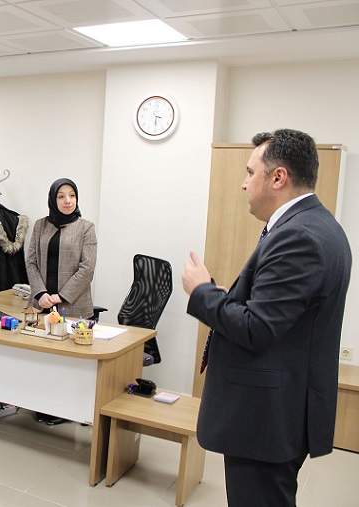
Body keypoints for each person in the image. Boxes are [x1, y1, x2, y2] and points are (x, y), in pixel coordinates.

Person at [182, 129, 352, 506]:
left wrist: (202, 292)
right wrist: (223, 296)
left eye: (250, 172)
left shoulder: (298, 237)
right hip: (280, 408)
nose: (244, 184)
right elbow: (278, 315)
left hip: (265, 417)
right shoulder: (319, 225)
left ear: (278, 178)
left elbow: (257, 328)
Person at [26, 178, 97, 425]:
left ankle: (68, 410)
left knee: (68, 364)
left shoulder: (86, 228)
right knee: (44, 360)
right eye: (61, 196)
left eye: (72, 195)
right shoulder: (40, 225)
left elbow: (87, 269)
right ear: (53, 199)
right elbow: (31, 261)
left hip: (73, 306)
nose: (68, 201)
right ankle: (45, 405)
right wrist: (40, 293)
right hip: (44, 305)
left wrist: (61, 296)